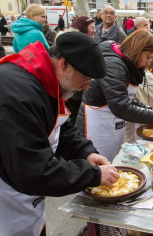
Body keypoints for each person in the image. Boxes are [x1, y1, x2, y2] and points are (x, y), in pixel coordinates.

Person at [0, 31, 119, 236]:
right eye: (85, 78)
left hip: (25, 199)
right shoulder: (19, 94)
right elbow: (33, 170)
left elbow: (59, 126)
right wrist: (93, 175)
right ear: (64, 64)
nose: (86, 87)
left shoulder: (45, 79)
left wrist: (85, 152)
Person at [75, 30, 153, 162]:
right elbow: (120, 106)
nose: (148, 63)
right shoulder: (113, 64)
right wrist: (152, 116)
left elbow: (128, 99)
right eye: (148, 57)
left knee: (115, 163)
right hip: (97, 125)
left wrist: (150, 110)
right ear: (137, 49)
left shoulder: (128, 64)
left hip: (113, 126)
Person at [65, 16, 97, 125]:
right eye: (92, 28)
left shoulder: (84, 43)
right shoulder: (78, 46)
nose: (94, 31)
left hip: (78, 89)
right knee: (74, 117)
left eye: (95, 28)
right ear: (83, 28)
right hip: (75, 90)